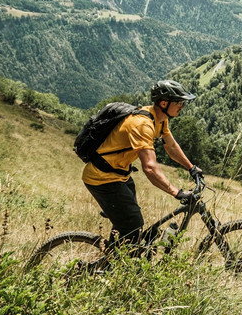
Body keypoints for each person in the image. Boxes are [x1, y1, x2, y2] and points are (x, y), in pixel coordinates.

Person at [82, 79, 203, 243]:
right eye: (179, 102)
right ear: (163, 103)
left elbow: (171, 146)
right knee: (133, 224)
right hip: (102, 177)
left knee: (127, 226)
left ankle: (112, 256)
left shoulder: (159, 119)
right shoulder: (142, 124)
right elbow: (150, 168)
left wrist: (191, 168)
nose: (182, 106)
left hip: (121, 175)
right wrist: (177, 192)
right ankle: (112, 264)